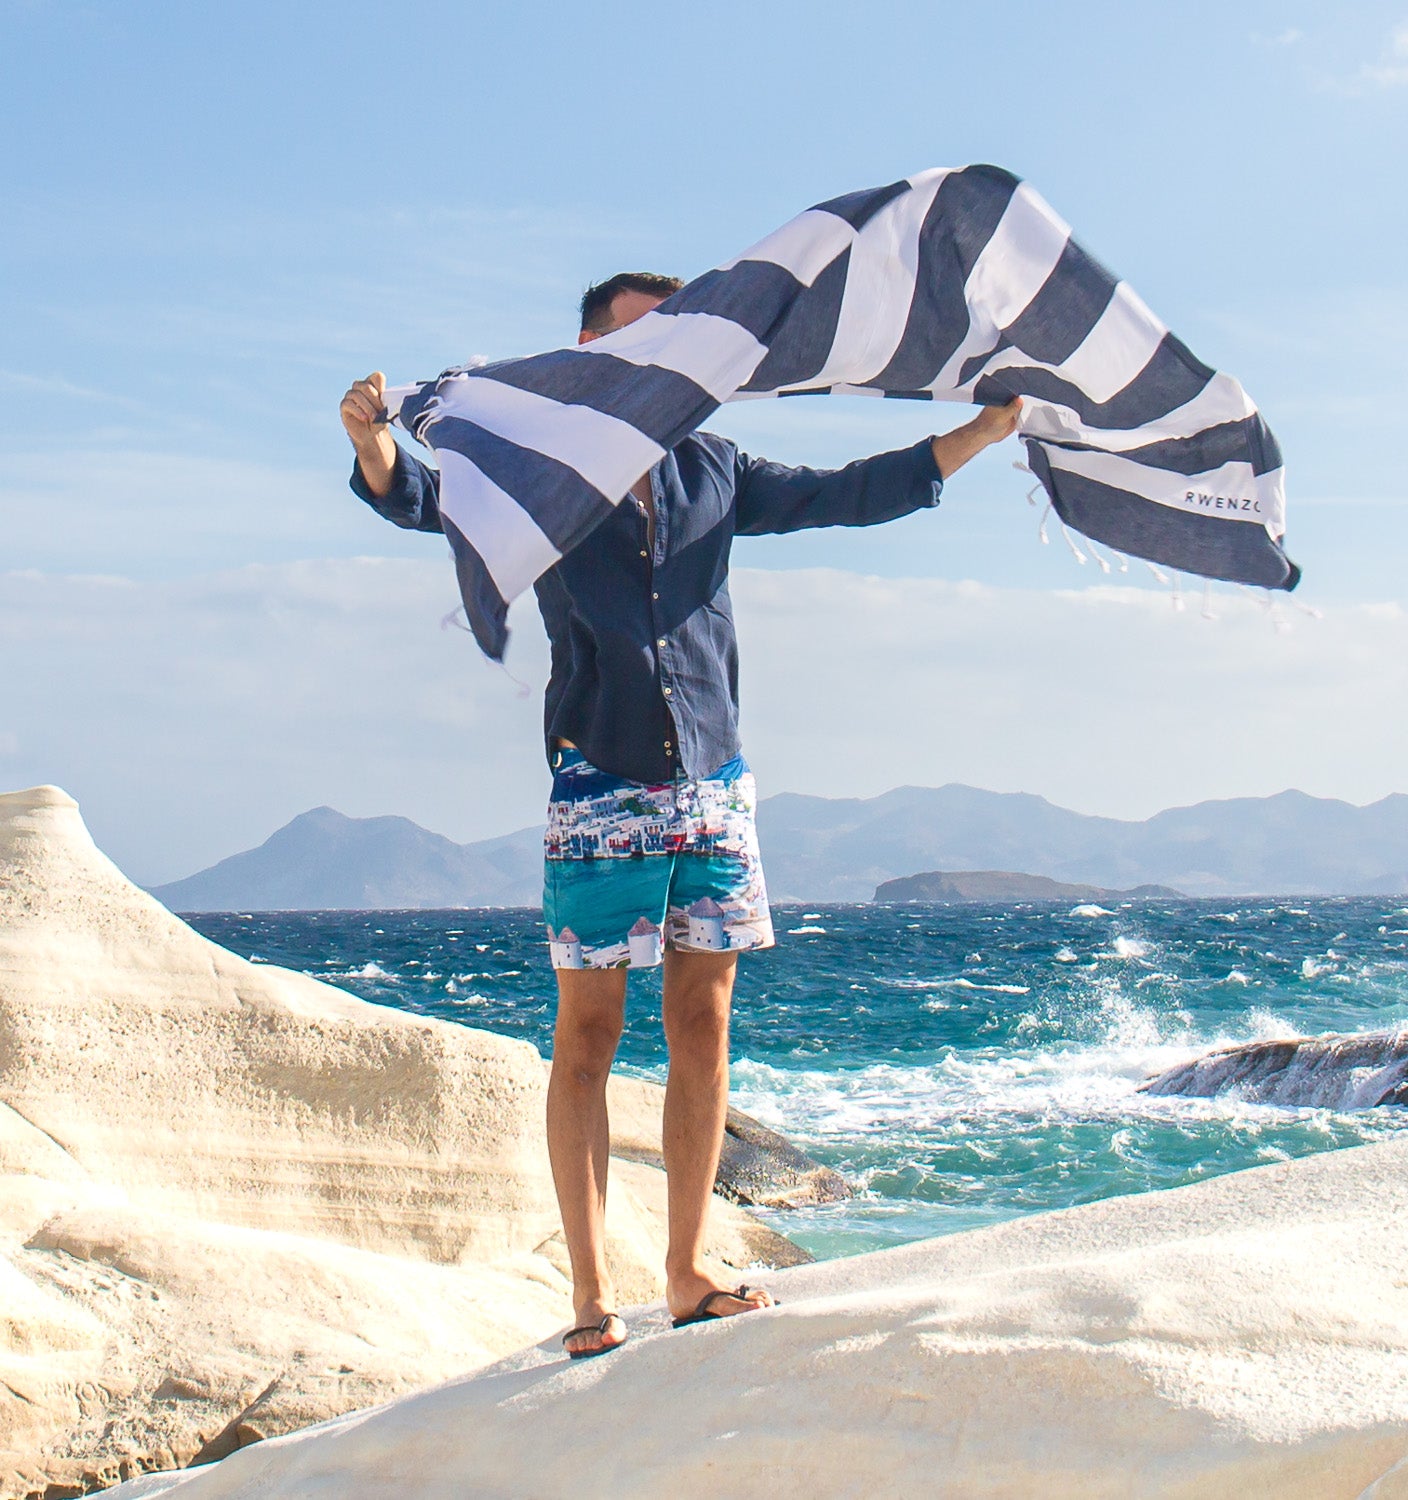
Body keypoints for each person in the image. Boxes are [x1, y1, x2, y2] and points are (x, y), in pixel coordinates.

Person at [340, 272, 1020, 1357]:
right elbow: (429, 500)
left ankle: (692, 1269)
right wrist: (376, 445)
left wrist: (977, 436)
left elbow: (846, 491)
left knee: (703, 1025)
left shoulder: (715, 465)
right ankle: (588, 1298)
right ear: (588, 351)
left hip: (714, 781)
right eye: (642, 336)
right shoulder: (543, 472)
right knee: (588, 1038)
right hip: (599, 781)